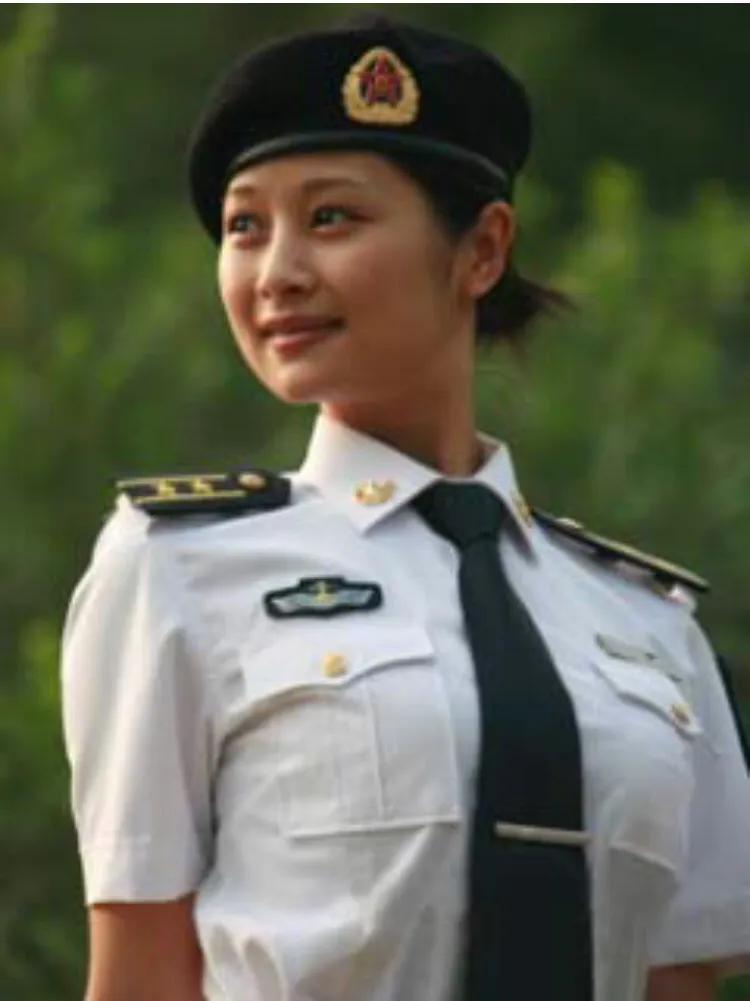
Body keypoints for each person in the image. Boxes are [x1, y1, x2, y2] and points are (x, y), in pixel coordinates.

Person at [60, 13, 750, 1001]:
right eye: (246, 226)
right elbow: (138, 976)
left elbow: (673, 979)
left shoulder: (648, 624)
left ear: (482, 250)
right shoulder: (176, 566)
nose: (277, 272)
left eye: (331, 217)